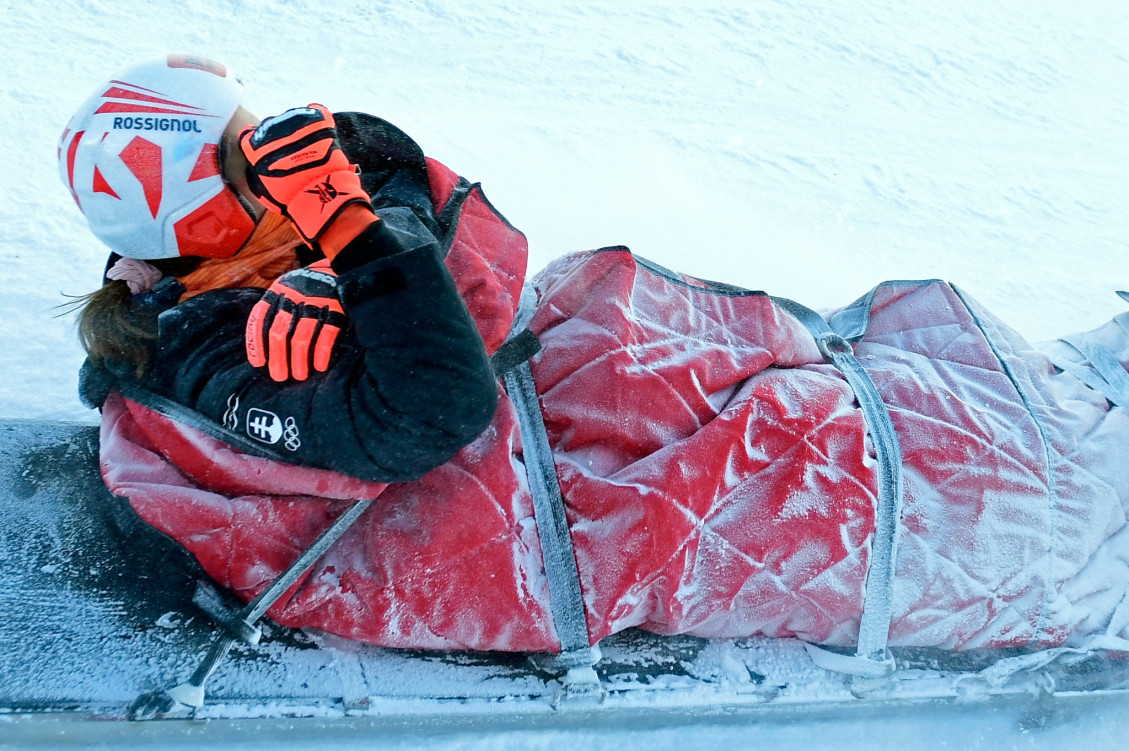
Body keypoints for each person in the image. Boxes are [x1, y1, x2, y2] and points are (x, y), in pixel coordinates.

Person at [62, 55, 1129, 663]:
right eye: (247, 154)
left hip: (598, 387)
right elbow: (431, 411)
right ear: (197, 210)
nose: (280, 158)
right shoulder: (225, 360)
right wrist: (353, 243)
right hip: (581, 485)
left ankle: (1030, 403)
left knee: (819, 373)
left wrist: (354, 243)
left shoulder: (239, 266)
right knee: (866, 455)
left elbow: (375, 163)